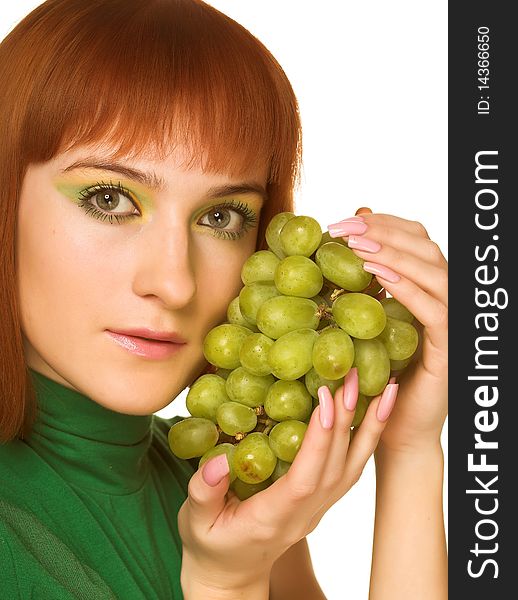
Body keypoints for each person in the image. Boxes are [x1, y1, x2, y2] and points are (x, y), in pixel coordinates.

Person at [0, 0, 448, 598]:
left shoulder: (219, 478)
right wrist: (225, 585)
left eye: (220, 215)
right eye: (110, 199)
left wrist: (412, 447)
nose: (175, 282)